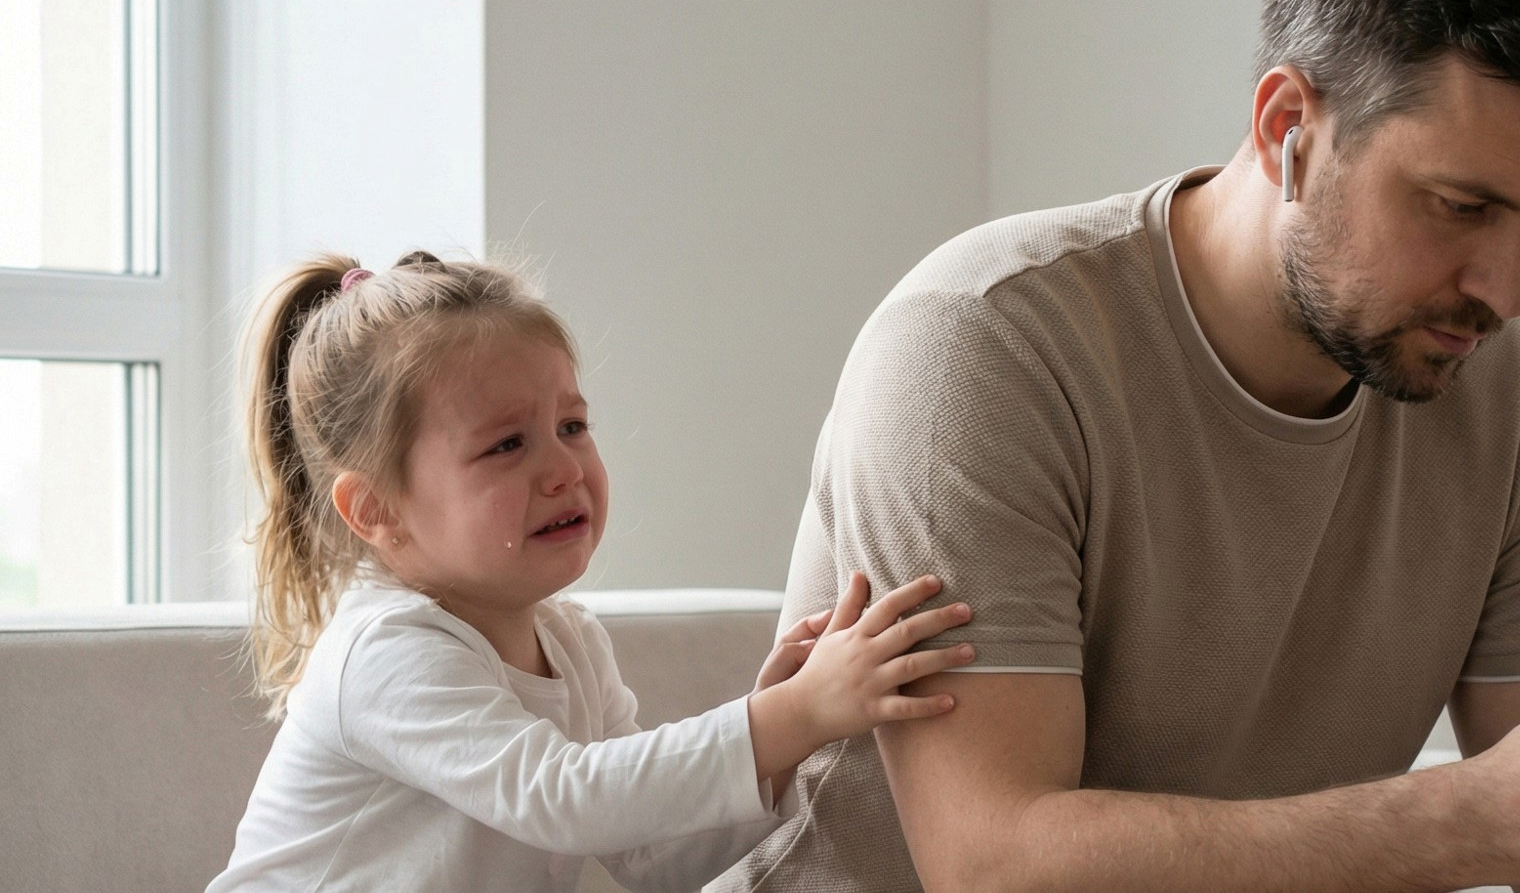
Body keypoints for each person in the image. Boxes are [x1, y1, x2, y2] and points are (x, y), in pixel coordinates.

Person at [721, 0, 1520, 893]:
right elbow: (992, 864)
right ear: (1286, 128)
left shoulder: (1503, 385)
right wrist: (1472, 819)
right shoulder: (983, 348)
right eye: (1460, 207)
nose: (1507, 289)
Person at [208, 252, 973, 893]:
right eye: (507, 445)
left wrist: (781, 744)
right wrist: (789, 716)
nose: (564, 469)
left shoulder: (570, 642)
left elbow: (652, 854)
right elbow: (565, 797)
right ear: (376, 509)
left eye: (571, 426)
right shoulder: (382, 650)